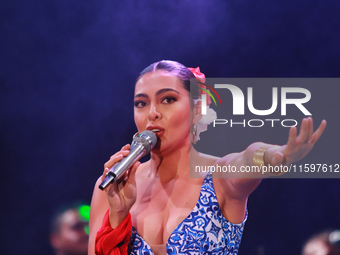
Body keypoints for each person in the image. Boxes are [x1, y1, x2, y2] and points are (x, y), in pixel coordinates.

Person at [89, 60, 327, 255]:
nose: (152, 113)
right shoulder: (112, 186)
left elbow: (249, 157)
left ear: (197, 109)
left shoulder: (220, 177)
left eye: (168, 99)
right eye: (141, 103)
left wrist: (278, 155)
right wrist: (118, 214)